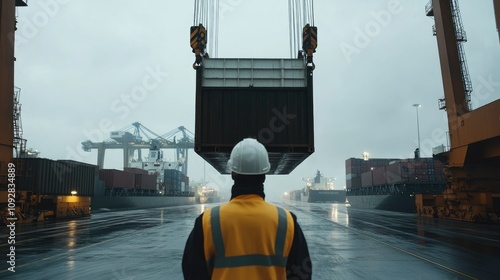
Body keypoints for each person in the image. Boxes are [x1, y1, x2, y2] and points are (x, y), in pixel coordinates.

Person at [182, 138, 312, 279]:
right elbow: (302, 274)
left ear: (232, 173)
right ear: (264, 175)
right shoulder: (287, 222)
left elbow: (192, 271)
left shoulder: (207, 221)